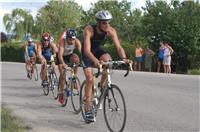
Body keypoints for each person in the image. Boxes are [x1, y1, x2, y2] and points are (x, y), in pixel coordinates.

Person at [81, 10, 128, 123]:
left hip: (96, 50)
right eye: (104, 23)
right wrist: (95, 61)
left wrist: (125, 59)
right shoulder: (89, 30)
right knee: (89, 77)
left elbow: (119, 47)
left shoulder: (111, 30)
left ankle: (101, 86)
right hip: (87, 53)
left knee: (109, 61)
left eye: (108, 22)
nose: (107, 25)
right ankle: (87, 108)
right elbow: (87, 51)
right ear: (98, 23)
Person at [57, 28, 81, 105]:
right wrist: (63, 64)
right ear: (66, 38)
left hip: (69, 55)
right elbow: (60, 55)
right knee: (63, 74)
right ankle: (61, 92)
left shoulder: (76, 42)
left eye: (73, 39)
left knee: (77, 59)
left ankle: (73, 78)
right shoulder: (62, 41)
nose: (71, 41)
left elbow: (82, 52)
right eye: (70, 39)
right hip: (61, 57)